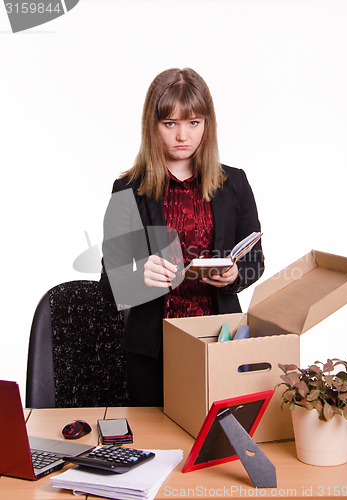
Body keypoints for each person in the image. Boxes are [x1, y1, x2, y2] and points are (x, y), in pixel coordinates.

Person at [100, 68, 264, 406]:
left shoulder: (234, 183)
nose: (182, 136)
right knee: (156, 449)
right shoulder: (128, 189)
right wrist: (138, 277)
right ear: (153, 126)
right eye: (170, 123)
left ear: (207, 124)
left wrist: (235, 275)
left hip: (219, 342)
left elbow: (255, 262)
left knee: (216, 443)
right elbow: (107, 283)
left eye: (193, 122)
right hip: (152, 349)